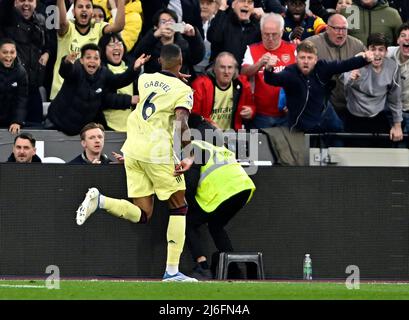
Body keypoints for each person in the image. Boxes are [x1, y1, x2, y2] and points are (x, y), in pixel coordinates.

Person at [75, 44, 198, 282]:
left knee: (143, 213)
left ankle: (100, 201)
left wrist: (172, 76)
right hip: (157, 151)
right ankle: (172, 271)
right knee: (179, 206)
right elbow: (181, 122)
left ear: (160, 61)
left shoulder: (146, 79)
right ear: (181, 63)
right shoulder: (184, 90)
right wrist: (189, 154)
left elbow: (160, 84)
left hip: (132, 149)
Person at [184, 114, 256, 280]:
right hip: (243, 189)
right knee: (216, 225)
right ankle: (233, 268)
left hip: (222, 193)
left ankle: (202, 266)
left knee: (187, 222)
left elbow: (191, 184)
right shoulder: (219, 147)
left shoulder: (194, 146)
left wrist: (189, 204)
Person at [263, 40, 374, 133]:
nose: (306, 61)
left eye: (310, 58)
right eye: (302, 58)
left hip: (325, 114)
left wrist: (364, 59)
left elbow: (344, 65)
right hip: (300, 123)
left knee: (338, 135)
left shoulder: (323, 67)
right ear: (296, 59)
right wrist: (268, 69)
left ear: (316, 60)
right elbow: (272, 79)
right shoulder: (290, 72)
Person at [45, 43, 147, 136]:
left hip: (80, 130)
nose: (92, 61)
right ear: (81, 60)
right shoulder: (76, 69)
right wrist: (67, 62)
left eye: (96, 58)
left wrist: (134, 69)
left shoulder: (104, 73)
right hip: (57, 123)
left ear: (100, 61)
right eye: (88, 57)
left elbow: (119, 81)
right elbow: (66, 72)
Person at [50, 0, 126, 100]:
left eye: (88, 7)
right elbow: (63, 23)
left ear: (91, 12)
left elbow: (119, 26)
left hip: (85, 96)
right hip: (62, 94)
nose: (84, 9)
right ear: (73, 12)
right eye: (80, 7)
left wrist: (120, 1)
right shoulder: (68, 27)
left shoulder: (97, 27)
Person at [342, 32, 403, 142]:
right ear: (366, 49)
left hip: (378, 117)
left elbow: (395, 99)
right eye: (373, 49)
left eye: (381, 49)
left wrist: (397, 126)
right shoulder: (357, 61)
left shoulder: (393, 67)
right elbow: (344, 80)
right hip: (353, 118)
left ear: (386, 52)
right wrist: (351, 77)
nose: (376, 53)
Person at [0, 0, 51, 125]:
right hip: (10, 92)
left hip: (34, 89)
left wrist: (47, 53)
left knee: (37, 135)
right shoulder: (7, 18)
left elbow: (49, 43)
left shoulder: (41, 20)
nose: (26, 4)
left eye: (30, 0)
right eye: (22, 0)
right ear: (14, 2)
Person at [241, 13, 296, 129]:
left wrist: (294, 102)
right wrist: (259, 64)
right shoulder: (252, 49)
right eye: (266, 34)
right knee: (261, 147)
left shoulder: (293, 49)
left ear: (282, 32)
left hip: (288, 113)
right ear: (261, 32)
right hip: (261, 115)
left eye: (274, 34)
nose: (270, 38)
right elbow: (243, 73)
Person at [308, 14, 366, 121]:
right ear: (327, 28)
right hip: (323, 108)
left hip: (351, 107)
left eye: (344, 29)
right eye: (337, 29)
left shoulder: (357, 45)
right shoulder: (312, 44)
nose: (341, 33)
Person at [132, 7, 205, 78]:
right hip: (154, 85)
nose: (168, 25)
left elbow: (197, 58)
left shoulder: (183, 44)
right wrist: (153, 35)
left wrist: (194, 37)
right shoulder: (151, 43)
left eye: (171, 22)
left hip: (179, 84)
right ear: (156, 27)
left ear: (177, 25)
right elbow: (138, 55)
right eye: (163, 22)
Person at [191, 52, 255, 130]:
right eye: (222, 67)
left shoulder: (243, 85)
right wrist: (209, 124)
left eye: (230, 67)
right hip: (207, 133)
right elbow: (193, 115)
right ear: (214, 69)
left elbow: (251, 106)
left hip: (232, 134)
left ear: (235, 69)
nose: (226, 72)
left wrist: (250, 111)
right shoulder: (200, 85)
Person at [99, 32, 136, 132]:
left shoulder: (130, 66)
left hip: (130, 128)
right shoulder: (100, 70)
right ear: (103, 49)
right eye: (111, 45)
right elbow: (103, 98)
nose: (116, 47)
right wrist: (129, 100)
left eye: (119, 43)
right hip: (108, 127)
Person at [207, 0, 261, 66]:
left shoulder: (256, 25)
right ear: (233, 5)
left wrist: (264, 17)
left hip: (247, 72)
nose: (246, 5)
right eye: (242, 1)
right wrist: (222, 8)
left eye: (250, 2)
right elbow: (213, 37)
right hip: (221, 72)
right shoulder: (222, 20)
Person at [0, 38, 28, 135]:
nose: (8, 56)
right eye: (5, 52)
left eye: (12, 52)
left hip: (10, 120)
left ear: (16, 53)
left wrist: (17, 121)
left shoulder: (21, 72)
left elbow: (21, 99)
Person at [388, 22, 409, 134]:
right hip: (390, 112)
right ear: (397, 40)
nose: (407, 39)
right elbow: (368, 54)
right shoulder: (388, 53)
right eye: (403, 35)